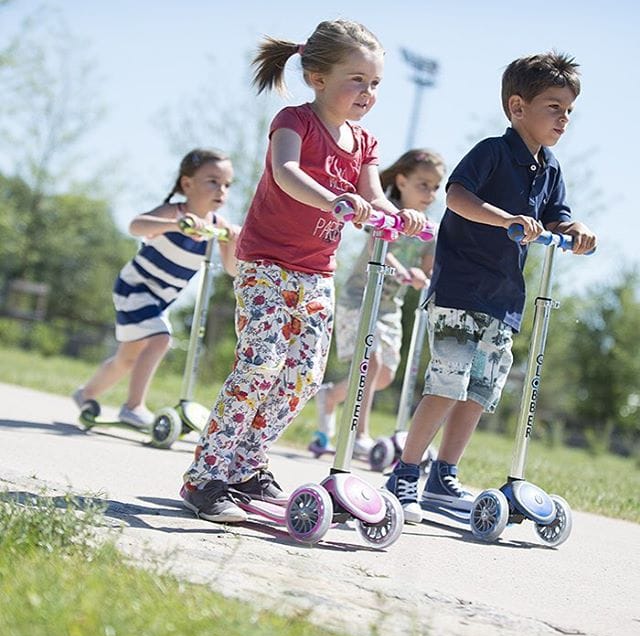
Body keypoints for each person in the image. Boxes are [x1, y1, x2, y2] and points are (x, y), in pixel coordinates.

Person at [180, 19, 426, 524]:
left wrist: (398, 215)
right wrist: (337, 200)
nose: (367, 92)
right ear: (318, 77)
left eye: (375, 83)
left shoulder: (365, 143)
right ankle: (206, 477)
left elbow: (375, 196)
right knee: (260, 365)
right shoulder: (294, 121)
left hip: (316, 272)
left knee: (305, 375)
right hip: (266, 262)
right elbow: (286, 174)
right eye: (356, 79)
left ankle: (246, 463)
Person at [385, 51, 597, 523]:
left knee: (478, 391)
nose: (563, 118)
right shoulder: (493, 152)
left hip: (504, 299)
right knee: (447, 383)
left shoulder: (551, 168)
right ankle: (405, 472)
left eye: (569, 111)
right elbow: (456, 195)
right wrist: (506, 220)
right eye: (553, 107)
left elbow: (555, 217)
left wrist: (574, 227)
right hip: (461, 288)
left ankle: (444, 473)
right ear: (518, 107)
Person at [72, 148, 239, 427]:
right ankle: (133, 406)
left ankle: (86, 393)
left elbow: (232, 269)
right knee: (160, 339)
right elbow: (136, 225)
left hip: (159, 300)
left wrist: (231, 241)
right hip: (135, 288)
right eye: (212, 181)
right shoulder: (176, 212)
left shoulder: (216, 226)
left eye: (227, 185)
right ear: (187, 184)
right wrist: (175, 225)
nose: (221, 190)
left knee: (126, 358)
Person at [309, 149, 446, 459]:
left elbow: (429, 266)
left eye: (436, 187)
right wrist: (400, 270)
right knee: (369, 364)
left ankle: (331, 396)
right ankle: (359, 435)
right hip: (360, 300)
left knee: (382, 376)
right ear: (401, 181)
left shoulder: (428, 228)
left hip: (389, 309)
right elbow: (378, 245)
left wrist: (422, 277)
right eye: (423, 185)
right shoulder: (386, 212)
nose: (431, 194)